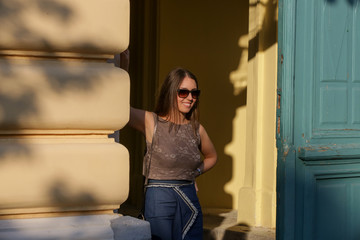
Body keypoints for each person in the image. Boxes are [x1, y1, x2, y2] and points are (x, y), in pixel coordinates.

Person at [128, 67, 217, 240]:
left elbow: (212, 156)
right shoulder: (151, 122)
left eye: (194, 93)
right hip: (159, 199)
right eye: (183, 92)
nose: (190, 98)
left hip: (189, 201)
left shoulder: (197, 129)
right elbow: (122, 109)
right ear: (171, 92)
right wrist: (123, 68)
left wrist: (195, 173)